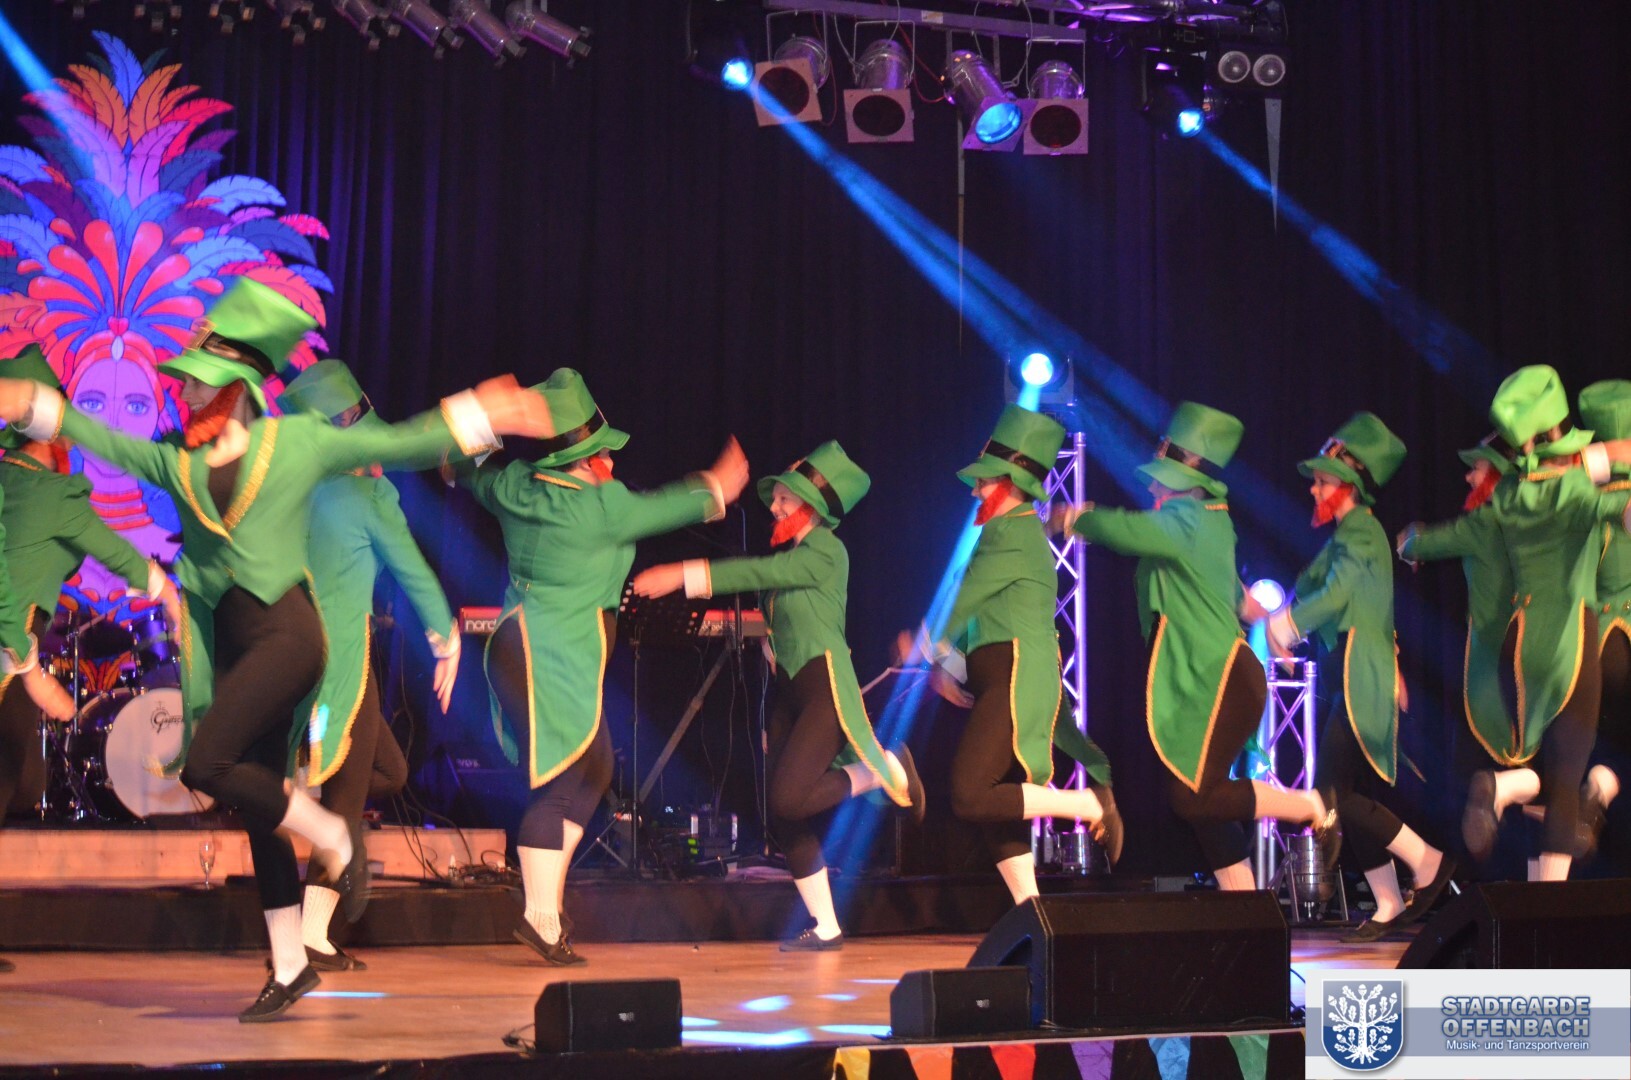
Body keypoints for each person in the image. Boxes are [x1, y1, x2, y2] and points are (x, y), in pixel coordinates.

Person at [0, 278, 552, 1018]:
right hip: (236, 650)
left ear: (232, 389)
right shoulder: (180, 463)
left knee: (206, 764)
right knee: (259, 810)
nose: (183, 395)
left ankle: (330, 833)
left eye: (196, 384)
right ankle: (290, 965)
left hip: (289, 638)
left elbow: (397, 441)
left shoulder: (295, 444)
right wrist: (31, 404)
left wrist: (485, 413)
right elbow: (103, 439)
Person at [453, 368, 748, 965]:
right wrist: (717, 485)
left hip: (521, 643)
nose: (611, 461)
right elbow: (669, 506)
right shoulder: (602, 507)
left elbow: (467, 468)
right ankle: (540, 917)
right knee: (561, 780)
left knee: (596, 767)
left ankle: (547, 902)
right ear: (583, 460)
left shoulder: (516, 485)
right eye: (603, 452)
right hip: (549, 652)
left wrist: (480, 416)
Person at [632, 441, 924, 950]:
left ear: (813, 506)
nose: (774, 506)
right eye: (776, 498)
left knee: (790, 798)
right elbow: (776, 617)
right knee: (781, 811)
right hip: (791, 693)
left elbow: (759, 573)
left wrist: (683, 574)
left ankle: (880, 771)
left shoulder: (827, 551)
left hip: (823, 689)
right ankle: (826, 925)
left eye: (785, 499)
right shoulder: (794, 556)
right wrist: (772, 695)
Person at [1060, 402, 1337, 890]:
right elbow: (1234, 595)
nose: (1152, 484)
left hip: (1221, 677)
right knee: (1199, 797)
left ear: (1188, 473)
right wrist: (1269, 625)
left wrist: (1074, 518)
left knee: (1191, 797)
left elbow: (1128, 530)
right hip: (1215, 677)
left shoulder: (1188, 519)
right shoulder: (1207, 522)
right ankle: (1244, 904)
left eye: (1162, 472)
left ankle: (1308, 806)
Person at [1399, 367, 1631, 882]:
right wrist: (1602, 464)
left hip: (1520, 642)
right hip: (1571, 638)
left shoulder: (1507, 495)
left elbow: (1429, 539)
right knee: (1566, 776)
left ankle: (1504, 789)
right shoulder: (1574, 489)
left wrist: (1408, 543)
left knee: (1547, 767)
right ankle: (1548, 908)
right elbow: (1614, 502)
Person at [277, 359, 462, 971]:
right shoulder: (361, 498)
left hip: (317, 664)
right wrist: (446, 638)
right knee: (345, 802)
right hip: (341, 670)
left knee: (390, 772)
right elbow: (412, 570)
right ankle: (312, 935)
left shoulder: (302, 494)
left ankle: (322, 821)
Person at [924, 404, 1120, 907]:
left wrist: (924, 645)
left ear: (1009, 483)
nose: (975, 491)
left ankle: (1083, 803)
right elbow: (981, 616)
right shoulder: (1008, 530)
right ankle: (1031, 911)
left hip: (1017, 675)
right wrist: (947, 666)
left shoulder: (1012, 531)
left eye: (984, 480)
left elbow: (961, 602)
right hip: (1004, 675)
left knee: (970, 793)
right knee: (997, 801)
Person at [1267, 412, 1453, 942]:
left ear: (1347, 484)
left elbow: (1340, 594)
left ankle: (1428, 861)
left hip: (1359, 673)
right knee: (1344, 794)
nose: (1313, 488)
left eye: (1322, 480)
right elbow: (1323, 588)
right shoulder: (1347, 534)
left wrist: (1288, 624)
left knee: (1330, 793)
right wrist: (1272, 617)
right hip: (1346, 671)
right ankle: (1389, 899)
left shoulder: (1363, 531)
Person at [1, 345, 180, 821]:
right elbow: (118, 553)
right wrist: (169, 596)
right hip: (11, 646)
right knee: (10, 775)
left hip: (14, 643)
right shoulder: (54, 494)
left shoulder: (9, 479)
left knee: (24, 782)